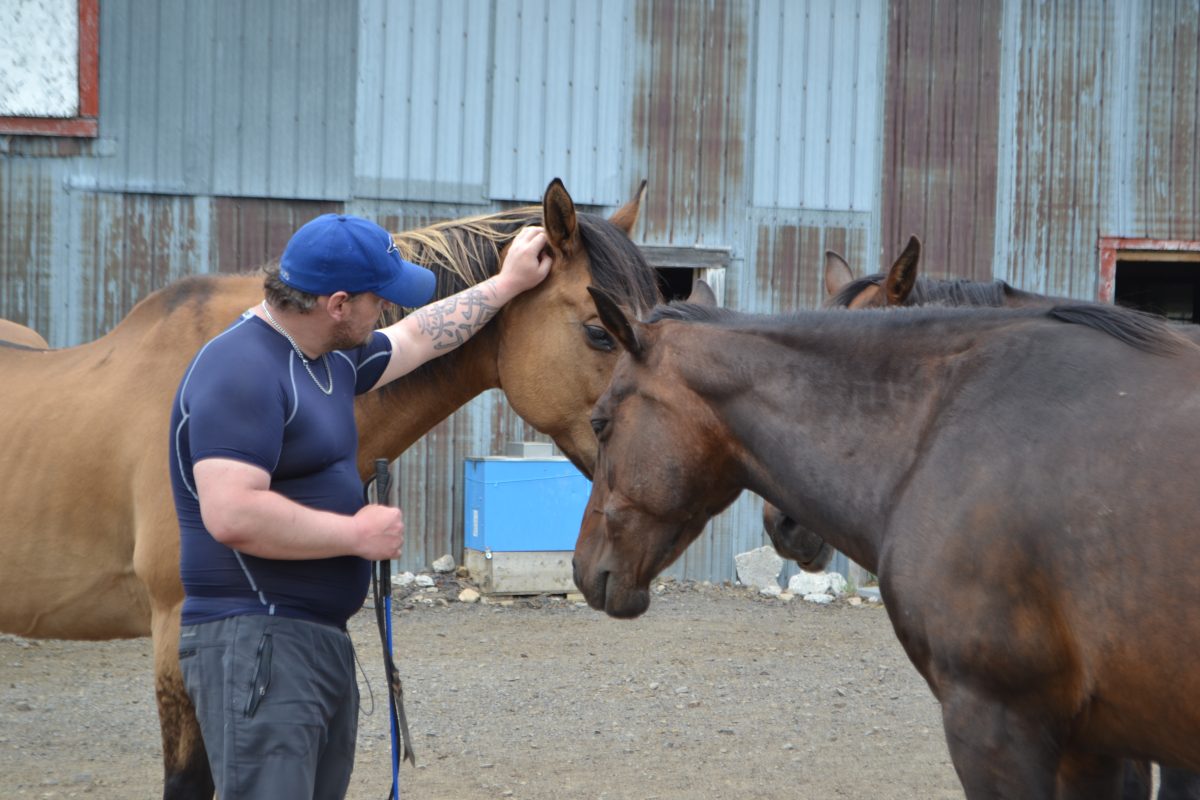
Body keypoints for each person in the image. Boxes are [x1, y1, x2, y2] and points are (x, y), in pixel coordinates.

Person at [168, 213, 550, 799]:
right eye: (380, 299)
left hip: (305, 642)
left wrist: (507, 284)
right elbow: (232, 513)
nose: (387, 311)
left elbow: (420, 336)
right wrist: (354, 535)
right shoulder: (241, 369)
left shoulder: (327, 359)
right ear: (339, 304)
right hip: (257, 643)